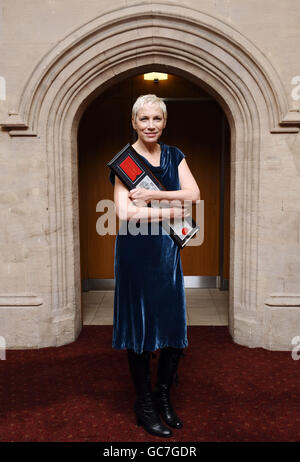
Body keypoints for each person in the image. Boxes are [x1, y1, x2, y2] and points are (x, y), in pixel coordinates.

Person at [109, 94, 200, 438]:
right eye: (144, 119)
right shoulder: (125, 162)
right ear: (134, 122)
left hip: (166, 250)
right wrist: (170, 211)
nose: (150, 126)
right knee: (141, 327)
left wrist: (151, 197)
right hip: (136, 250)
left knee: (173, 322)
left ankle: (163, 396)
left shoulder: (175, 155)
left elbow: (194, 193)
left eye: (156, 119)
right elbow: (125, 213)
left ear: (164, 122)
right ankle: (144, 403)